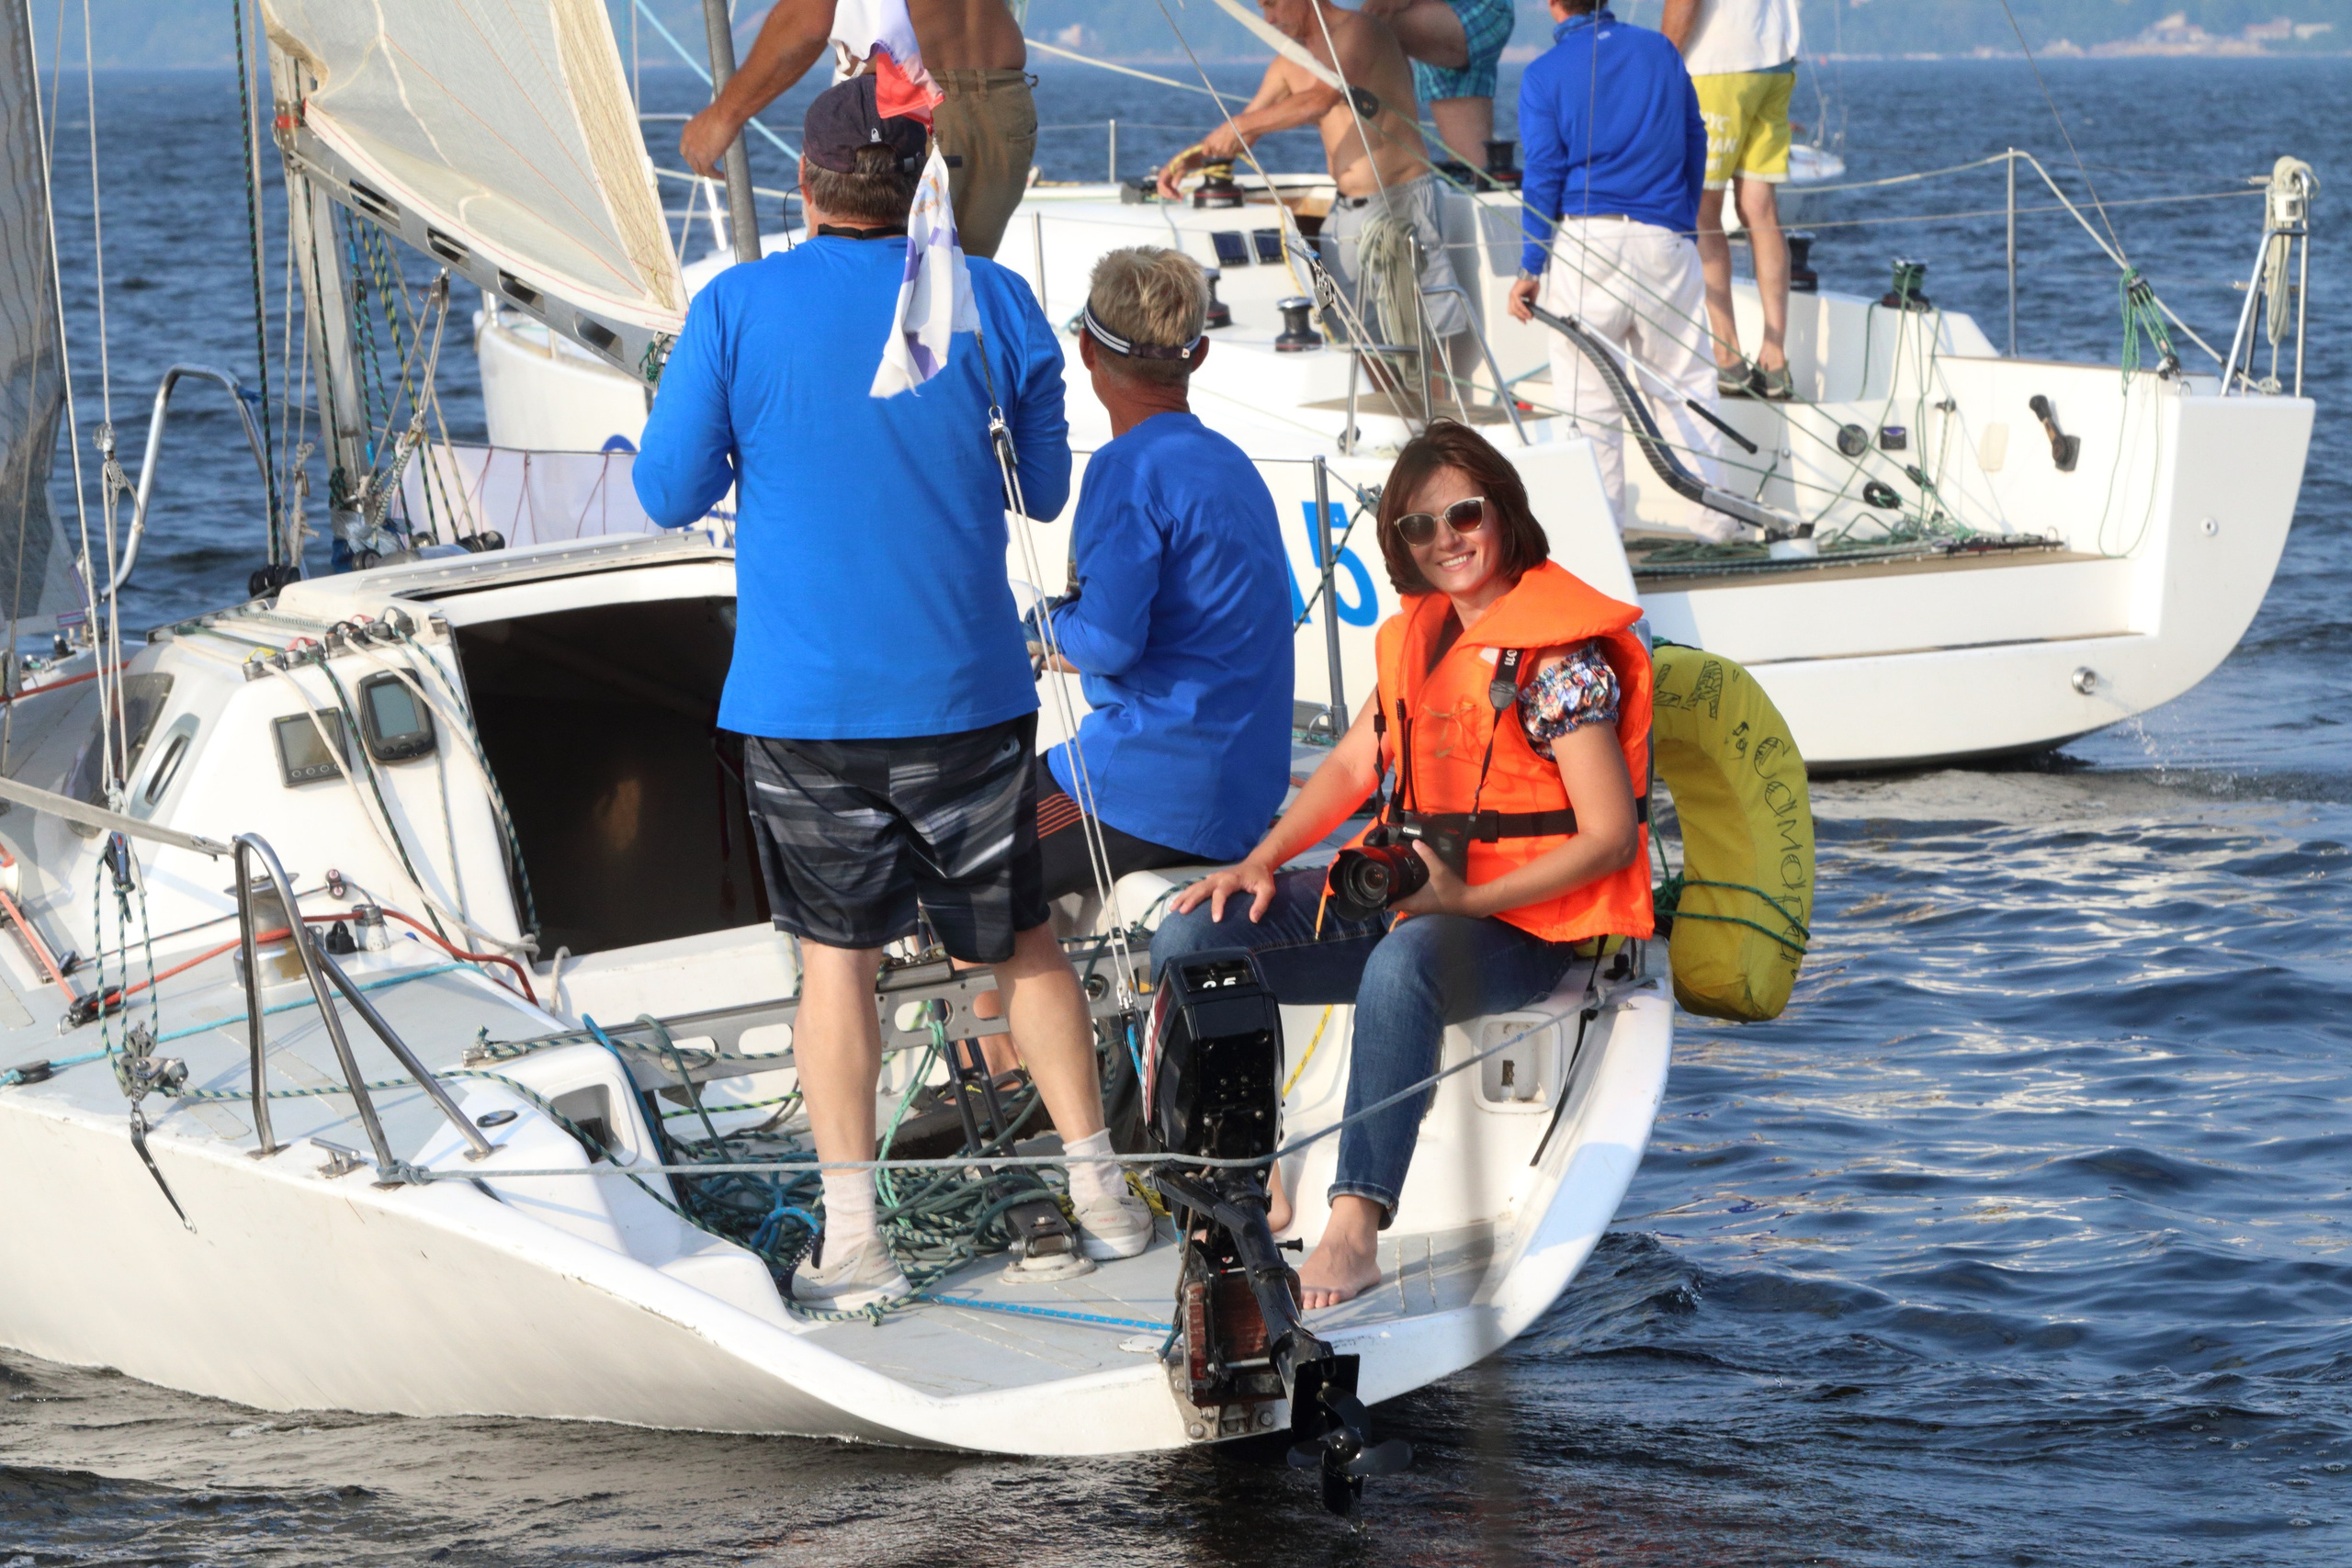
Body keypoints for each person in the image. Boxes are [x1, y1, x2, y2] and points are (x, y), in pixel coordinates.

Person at [634, 77, 1152, 1312]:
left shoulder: (736, 306)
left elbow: (665, 491)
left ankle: (857, 1235)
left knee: (837, 962)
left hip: (804, 708)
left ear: (807, 188)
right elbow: (1039, 489)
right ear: (927, 188)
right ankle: (1104, 1198)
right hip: (967, 691)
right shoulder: (992, 299)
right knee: (1021, 938)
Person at [1151, 421, 1654, 1309]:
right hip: (1419, 894)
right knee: (1193, 932)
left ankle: (1353, 1227)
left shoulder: (1561, 661)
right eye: (1420, 526)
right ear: (1400, 544)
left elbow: (1611, 836)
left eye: (1464, 513)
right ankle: (1240, 1177)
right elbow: (1352, 766)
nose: (1446, 539)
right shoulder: (1420, 640)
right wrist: (1259, 860)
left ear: (1503, 513)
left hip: (1524, 922)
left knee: (1404, 960)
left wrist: (1472, 895)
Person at [1032, 245, 1296, 902]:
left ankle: (990, 1008)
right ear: (1198, 355)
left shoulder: (1125, 469)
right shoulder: (1233, 463)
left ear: (1088, 352)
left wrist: (1036, 624)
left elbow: (1109, 641)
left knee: (954, 855)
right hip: (1240, 795)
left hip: (1152, 787)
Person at [1506, 0, 1729, 538]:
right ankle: (1715, 527)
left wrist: (1530, 266)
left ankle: (1605, 542)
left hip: (1587, 245)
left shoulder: (1541, 75)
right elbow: (1695, 140)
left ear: (1551, 4)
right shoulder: (1659, 50)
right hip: (1664, 239)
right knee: (1686, 386)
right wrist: (1679, 219)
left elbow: (1543, 173)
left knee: (1590, 405)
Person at [1153, 0, 1474, 372]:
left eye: (1272, 5)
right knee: (1348, 323)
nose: (1268, 19)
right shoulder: (1289, 62)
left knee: (1423, 320)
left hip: (1399, 201)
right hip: (1345, 212)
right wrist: (1186, 163)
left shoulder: (1361, 30)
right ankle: (1385, 408)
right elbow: (1245, 128)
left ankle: (1440, 417)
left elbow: (1322, 97)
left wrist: (1240, 126)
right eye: (1262, 9)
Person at [678, 0, 1035, 260]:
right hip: (1004, 102)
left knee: (866, 297)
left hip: (909, 102)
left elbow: (808, 19)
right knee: (959, 300)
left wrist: (722, 117)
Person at [1662, 0, 1802, 400]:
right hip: (1776, 57)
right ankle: (1775, 358)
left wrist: (1660, 59)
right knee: (1760, 209)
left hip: (1718, 60)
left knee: (1703, 209)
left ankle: (1728, 357)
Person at [1357, 0, 1516, 168]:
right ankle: (1398, 173)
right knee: (1473, 171)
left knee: (1370, 23)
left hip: (1478, 9)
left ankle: (1400, 171)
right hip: (1437, 19)